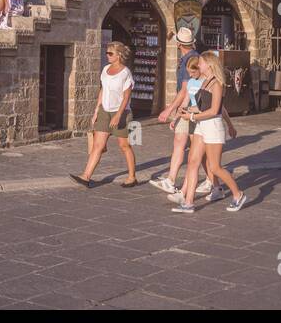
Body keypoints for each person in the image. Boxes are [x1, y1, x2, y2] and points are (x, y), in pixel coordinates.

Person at [170, 51, 247, 213]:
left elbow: (214, 110)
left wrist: (191, 115)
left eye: (201, 62)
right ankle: (189, 202)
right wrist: (184, 111)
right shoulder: (204, 82)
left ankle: (238, 194)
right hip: (200, 125)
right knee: (192, 161)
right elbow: (201, 106)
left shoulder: (216, 84)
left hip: (212, 126)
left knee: (215, 167)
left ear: (209, 65)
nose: (199, 65)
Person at [150, 27, 211, 196]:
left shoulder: (189, 61)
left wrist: (171, 110)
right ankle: (172, 180)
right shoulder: (191, 57)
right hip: (187, 107)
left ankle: (209, 181)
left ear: (179, 44)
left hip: (189, 107)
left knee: (193, 147)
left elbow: (185, 90)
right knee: (184, 143)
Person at [71, 42, 139, 187]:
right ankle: (86, 176)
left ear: (119, 55)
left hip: (122, 112)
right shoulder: (105, 69)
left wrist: (118, 115)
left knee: (124, 145)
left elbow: (127, 96)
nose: (107, 55)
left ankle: (132, 177)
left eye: (110, 53)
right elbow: (103, 89)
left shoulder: (125, 73)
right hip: (104, 111)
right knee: (98, 145)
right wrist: (96, 110)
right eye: (107, 53)